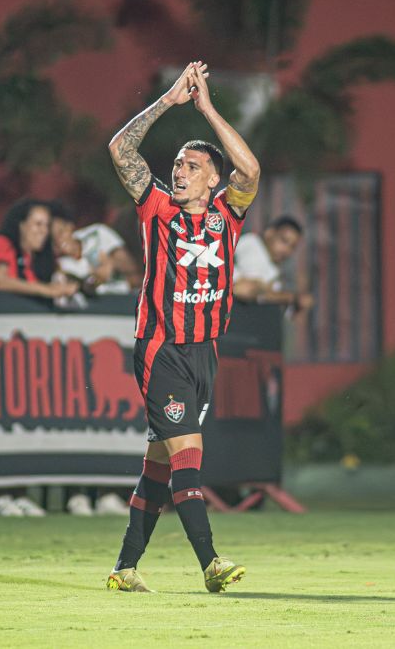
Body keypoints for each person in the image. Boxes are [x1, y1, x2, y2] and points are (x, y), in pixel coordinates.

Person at [105, 61, 260, 593]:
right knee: (187, 457)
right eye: (177, 164)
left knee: (158, 464)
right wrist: (169, 102)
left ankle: (125, 568)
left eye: (192, 166)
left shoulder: (227, 215)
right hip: (162, 350)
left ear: (213, 178)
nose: (179, 171)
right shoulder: (157, 208)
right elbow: (121, 150)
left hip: (204, 353)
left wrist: (207, 110)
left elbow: (250, 170)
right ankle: (210, 563)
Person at [0, 199, 77, 300]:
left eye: (47, 226)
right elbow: (0, 282)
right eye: (38, 224)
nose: (44, 231)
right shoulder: (1, 243)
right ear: (22, 225)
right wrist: (47, 290)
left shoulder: (38, 257)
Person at [49, 201, 136, 295]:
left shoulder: (97, 234)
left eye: (61, 232)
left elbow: (131, 267)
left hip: (126, 296)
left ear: (70, 227)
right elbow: (82, 289)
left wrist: (112, 263)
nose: (59, 240)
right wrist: (97, 279)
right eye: (53, 238)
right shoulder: (61, 265)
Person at [232, 214, 313, 311]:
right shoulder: (253, 245)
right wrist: (291, 298)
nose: (287, 250)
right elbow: (244, 289)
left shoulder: (273, 264)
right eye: (284, 240)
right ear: (269, 233)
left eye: (292, 246)